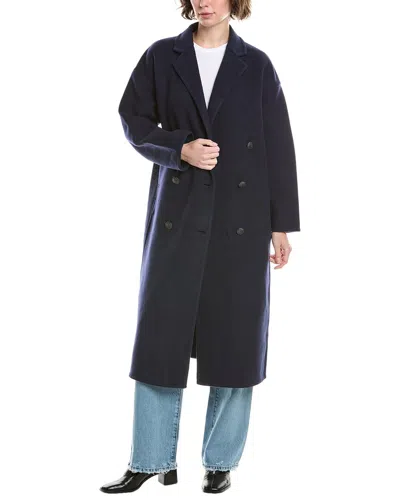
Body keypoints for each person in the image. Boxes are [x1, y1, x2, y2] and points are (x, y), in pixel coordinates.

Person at [100, 0, 300, 494]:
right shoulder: (160, 55)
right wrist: (179, 148)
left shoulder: (257, 65)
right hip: (178, 214)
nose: (204, 1)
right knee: (159, 341)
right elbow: (132, 118)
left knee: (235, 342)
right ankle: (150, 459)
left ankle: (221, 461)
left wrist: (281, 225)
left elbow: (279, 145)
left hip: (241, 220)